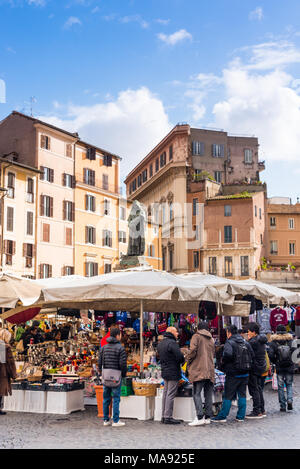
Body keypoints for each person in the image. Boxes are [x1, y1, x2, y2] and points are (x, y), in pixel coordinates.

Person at [211, 325, 254, 423]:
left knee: (228, 395)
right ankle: (240, 416)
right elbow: (252, 355)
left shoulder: (229, 342)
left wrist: (223, 363)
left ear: (229, 333)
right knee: (242, 395)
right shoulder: (245, 342)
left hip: (233, 373)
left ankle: (222, 416)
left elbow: (228, 355)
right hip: (245, 373)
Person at [187, 321, 215, 426]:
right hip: (210, 369)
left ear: (198, 328)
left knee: (196, 393)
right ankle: (207, 417)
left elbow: (193, 350)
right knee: (208, 394)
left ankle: (199, 417)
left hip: (199, 369)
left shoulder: (196, 336)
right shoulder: (211, 339)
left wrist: (188, 358)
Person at [98, 327, 127, 427]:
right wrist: (123, 374)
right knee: (116, 398)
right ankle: (115, 420)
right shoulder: (120, 348)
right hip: (116, 376)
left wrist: (101, 372)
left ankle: (106, 420)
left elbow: (99, 363)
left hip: (106, 375)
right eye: (120, 334)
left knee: (106, 398)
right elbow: (123, 364)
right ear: (117, 335)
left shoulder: (104, 348)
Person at [157, 326, 185, 425]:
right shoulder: (172, 343)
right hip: (173, 371)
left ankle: (164, 416)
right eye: (176, 332)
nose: (178, 334)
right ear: (172, 332)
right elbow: (179, 357)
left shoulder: (161, 344)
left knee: (165, 393)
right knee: (170, 394)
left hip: (165, 370)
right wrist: (183, 359)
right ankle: (168, 417)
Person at [268, 324, 297, 412]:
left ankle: (282, 406)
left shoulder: (273, 342)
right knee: (289, 384)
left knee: (280, 386)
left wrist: (275, 362)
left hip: (279, 366)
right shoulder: (291, 341)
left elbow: (271, 355)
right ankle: (289, 400)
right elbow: (296, 354)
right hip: (289, 366)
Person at [246, 322, 268, 419]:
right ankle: (261, 409)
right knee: (258, 388)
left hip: (254, 367)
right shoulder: (261, 340)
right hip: (260, 367)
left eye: (249, 332)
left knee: (254, 389)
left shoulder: (253, 342)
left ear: (254, 332)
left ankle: (257, 411)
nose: (247, 334)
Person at [0, 329, 17, 415]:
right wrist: (14, 374)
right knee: (1, 390)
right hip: (2, 372)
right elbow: (9, 362)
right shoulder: (4, 347)